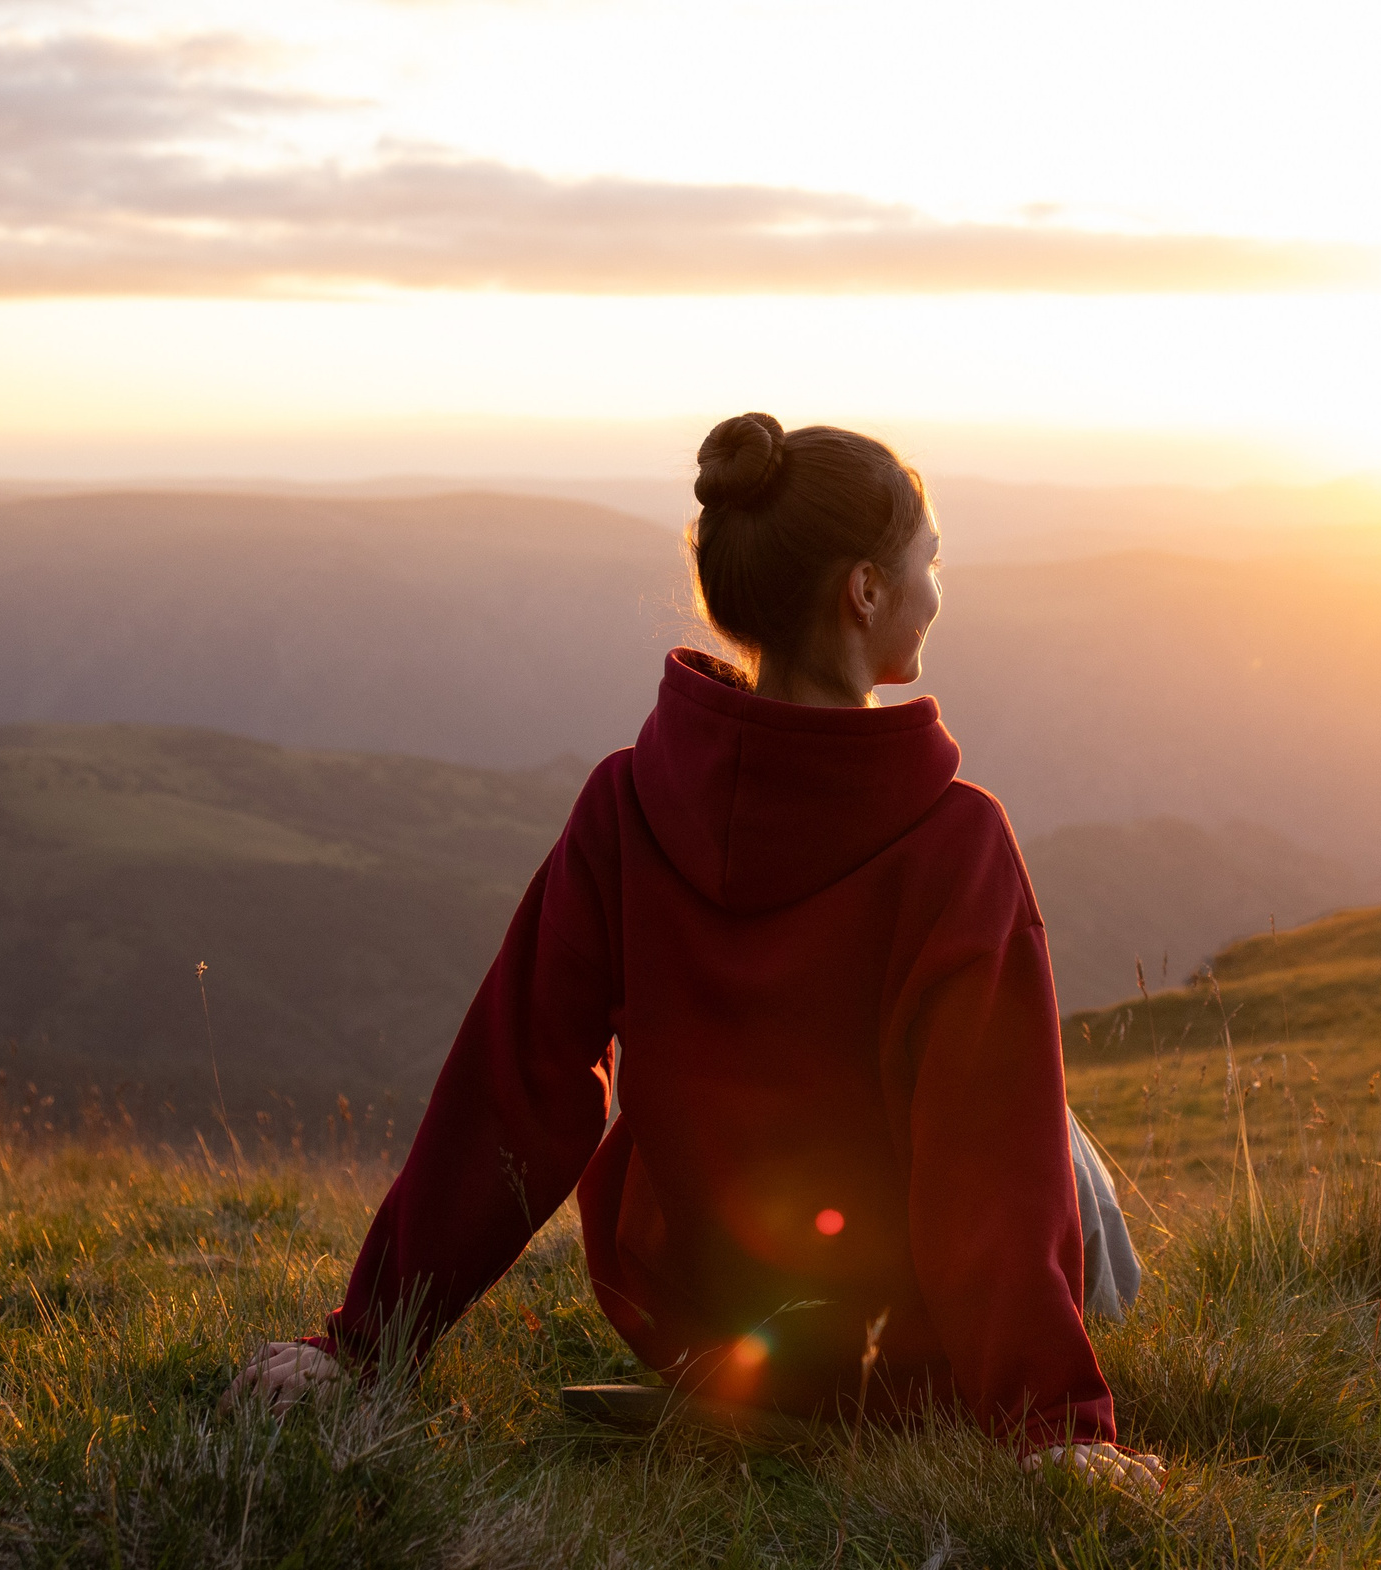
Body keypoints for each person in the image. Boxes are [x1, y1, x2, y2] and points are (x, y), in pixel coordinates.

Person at [228, 414, 1160, 1493]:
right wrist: (1057, 1429)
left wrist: (364, 1341)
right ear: (864, 590)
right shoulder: (957, 843)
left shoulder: (625, 802)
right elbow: (985, 1159)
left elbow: (515, 1085)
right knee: (1041, 1118)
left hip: (704, 1321)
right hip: (905, 1357)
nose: (936, 592)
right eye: (928, 563)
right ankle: (1027, 1398)